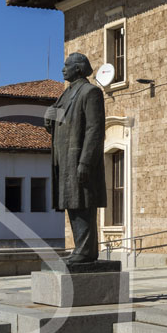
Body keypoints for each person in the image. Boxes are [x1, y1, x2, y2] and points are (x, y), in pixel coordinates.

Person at [44, 52, 106, 264]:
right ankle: (81, 247)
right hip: (65, 161)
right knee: (73, 203)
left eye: (67, 65)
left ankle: (86, 250)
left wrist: (86, 161)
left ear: (78, 68)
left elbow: (94, 130)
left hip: (79, 160)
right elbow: (62, 121)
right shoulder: (66, 94)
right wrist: (49, 118)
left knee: (83, 203)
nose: (63, 69)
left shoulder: (90, 92)